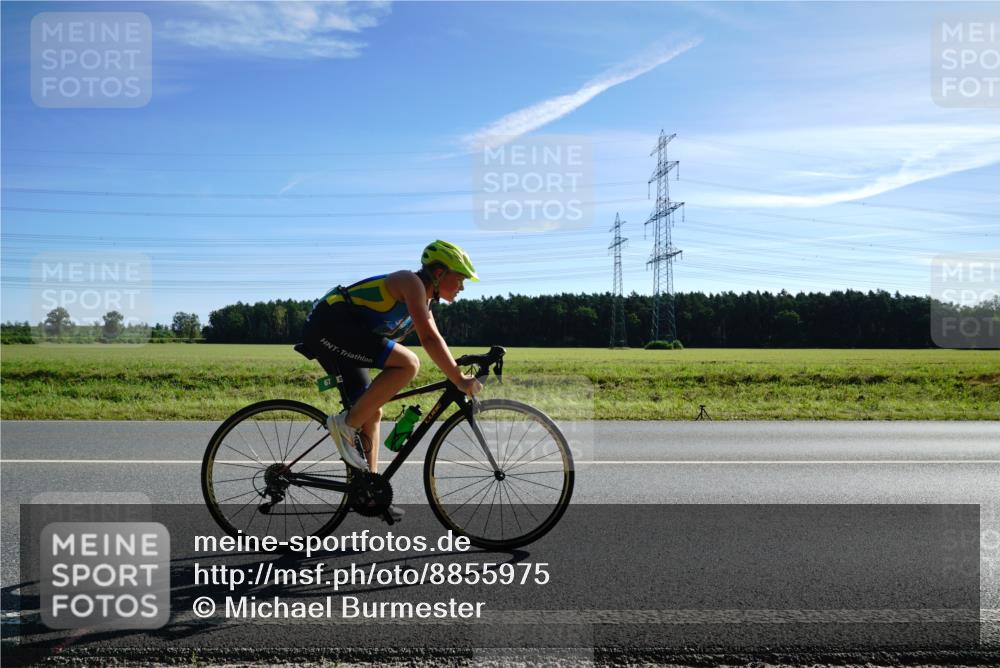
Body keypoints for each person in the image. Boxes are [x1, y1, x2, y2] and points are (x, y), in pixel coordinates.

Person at [301, 240, 483, 521]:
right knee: (408, 363)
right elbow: (428, 339)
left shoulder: (425, 301)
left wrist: (458, 372)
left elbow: (436, 339)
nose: (462, 287)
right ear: (439, 273)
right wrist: (459, 379)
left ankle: (369, 491)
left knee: (370, 411)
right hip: (330, 324)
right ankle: (344, 425)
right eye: (459, 279)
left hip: (344, 332)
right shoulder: (410, 282)